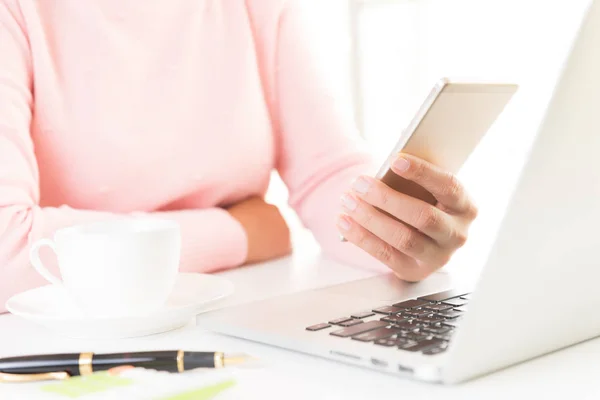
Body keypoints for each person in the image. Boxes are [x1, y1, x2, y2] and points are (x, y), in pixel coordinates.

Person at [0, 0, 477, 312]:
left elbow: (328, 173)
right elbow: (7, 249)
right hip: (70, 341)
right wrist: (242, 233)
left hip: (231, 315)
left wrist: (395, 240)